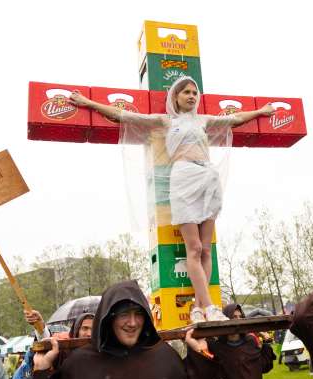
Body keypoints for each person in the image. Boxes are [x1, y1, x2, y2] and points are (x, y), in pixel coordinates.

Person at [67, 77, 274, 322]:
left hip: (207, 178)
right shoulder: (165, 121)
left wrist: (262, 111)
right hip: (183, 179)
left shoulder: (203, 120)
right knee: (194, 248)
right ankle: (210, 307)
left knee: (206, 249)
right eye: (186, 92)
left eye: (194, 92)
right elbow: (123, 115)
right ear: (175, 97)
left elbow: (236, 118)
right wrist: (86, 102)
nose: (191, 96)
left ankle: (199, 307)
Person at [30, 280, 217, 379]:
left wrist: (201, 357)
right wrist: (42, 372)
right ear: (109, 317)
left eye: (138, 314)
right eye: (124, 314)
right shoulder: (79, 364)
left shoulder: (164, 358)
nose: (133, 322)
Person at [206, 304, 276, 379]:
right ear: (225, 318)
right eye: (234, 317)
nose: (238, 320)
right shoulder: (217, 347)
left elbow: (264, 366)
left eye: (240, 317)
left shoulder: (250, 342)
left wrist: (266, 342)